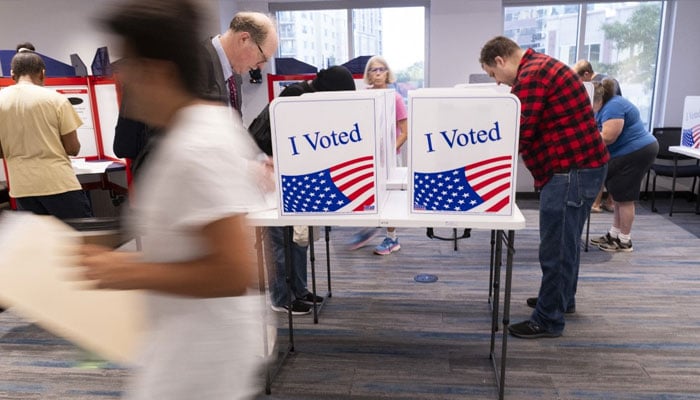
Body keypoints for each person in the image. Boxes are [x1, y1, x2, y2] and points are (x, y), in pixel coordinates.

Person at [77, 1, 273, 398]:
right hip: (183, 346)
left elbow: (235, 271)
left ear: (157, 71)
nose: (121, 76)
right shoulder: (190, 132)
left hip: (200, 363)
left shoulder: (196, 145)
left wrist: (127, 271)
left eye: (127, 64)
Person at [479, 36, 609, 339]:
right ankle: (561, 299)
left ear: (500, 61)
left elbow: (520, 130)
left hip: (570, 170)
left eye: (492, 75)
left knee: (556, 247)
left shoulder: (532, 75)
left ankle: (549, 319)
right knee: (567, 241)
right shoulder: (541, 66)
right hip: (580, 167)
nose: (498, 83)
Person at [248, 66, 356, 315]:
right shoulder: (295, 98)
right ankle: (281, 297)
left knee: (297, 239)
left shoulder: (304, 97)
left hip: (290, 176)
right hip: (270, 173)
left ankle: (299, 290)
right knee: (280, 240)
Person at [0, 51, 93, 220]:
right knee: (79, 238)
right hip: (58, 183)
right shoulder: (56, 100)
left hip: (22, 187)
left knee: (41, 242)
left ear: (12, 74)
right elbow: (73, 148)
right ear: (42, 73)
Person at [347, 55, 408, 255]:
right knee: (366, 194)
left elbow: (405, 131)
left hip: (390, 158)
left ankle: (392, 239)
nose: (379, 73)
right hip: (368, 156)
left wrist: (389, 152)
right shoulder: (363, 96)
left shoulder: (396, 98)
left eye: (382, 69)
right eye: (374, 70)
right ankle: (367, 229)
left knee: (389, 199)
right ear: (369, 75)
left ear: (388, 73)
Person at [589, 79, 658, 252]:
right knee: (618, 195)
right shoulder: (606, 106)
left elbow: (608, 136)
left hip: (637, 151)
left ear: (597, 99)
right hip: (626, 152)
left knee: (625, 198)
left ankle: (624, 241)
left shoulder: (613, 106)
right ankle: (614, 235)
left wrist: (584, 136)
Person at [198, 11, 278, 115]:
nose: (260, 67)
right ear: (244, 39)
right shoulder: (197, 62)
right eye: (261, 57)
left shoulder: (235, 73)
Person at [573, 59, 623, 213]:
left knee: (602, 165)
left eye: (578, 78)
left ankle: (600, 203)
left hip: (608, 130)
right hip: (598, 128)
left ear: (586, 74)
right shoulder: (596, 83)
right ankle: (600, 202)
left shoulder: (607, 83)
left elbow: (610, 108)